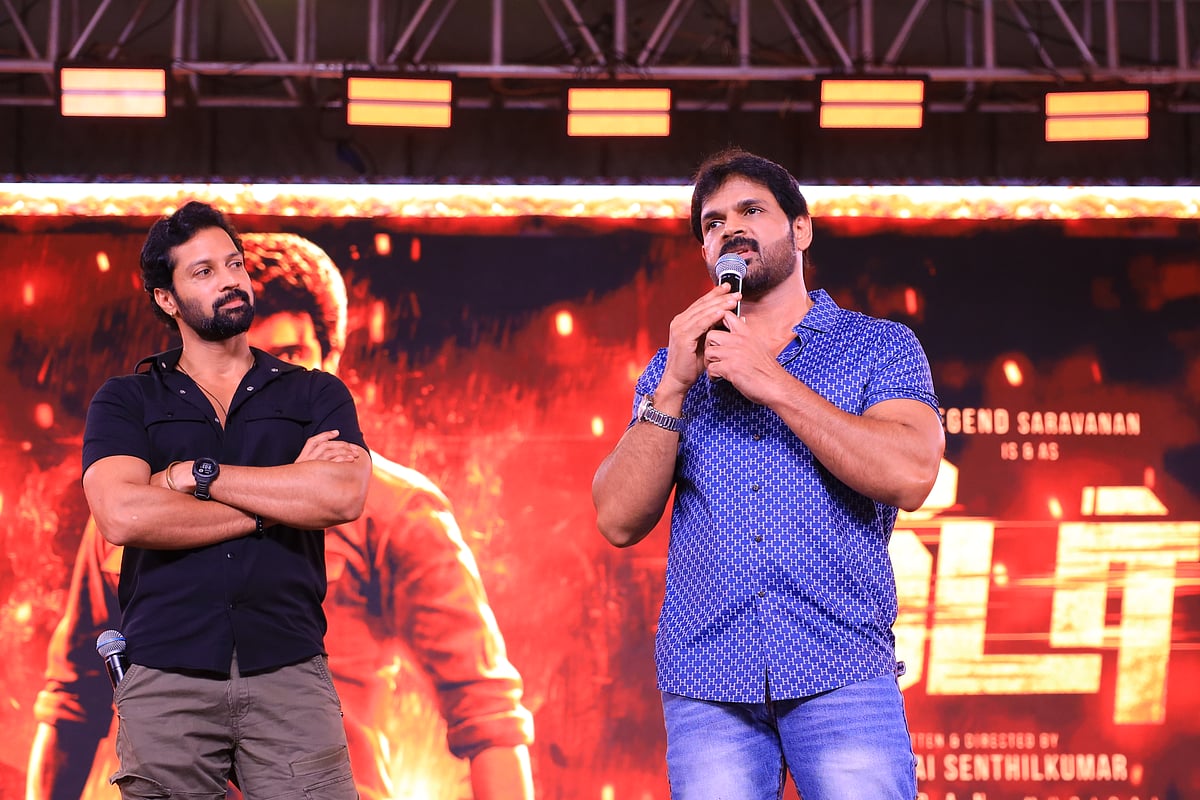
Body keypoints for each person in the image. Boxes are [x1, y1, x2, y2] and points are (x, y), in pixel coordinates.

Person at [28, 232, 535, 800]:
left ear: (329, 363)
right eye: (244, 356)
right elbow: (71, 703)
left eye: (287, 356)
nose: (258, 380)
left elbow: (487, 713)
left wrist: (210, 480)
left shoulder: (396, 507)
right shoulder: (135, 496)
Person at [591, 148, 945, 800]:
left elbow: (911, 474)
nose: (731, 229)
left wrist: (771, 380)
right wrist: (672, 387)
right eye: (713, 223)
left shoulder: (877, 346)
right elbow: (616, 519)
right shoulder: (674, 368)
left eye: (751, 210)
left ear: (800, 229)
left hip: (841, 669)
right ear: (705, 252)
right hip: (707, 683)